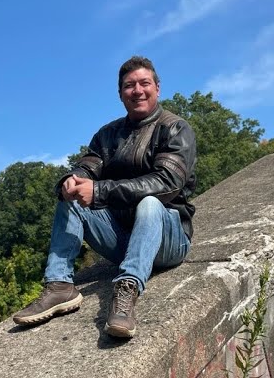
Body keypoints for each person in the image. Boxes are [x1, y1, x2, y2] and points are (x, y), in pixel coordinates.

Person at [11, 55, 197, 339]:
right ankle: (59, 285)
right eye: (129, 86)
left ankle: (127, 289)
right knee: (70, 200)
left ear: (157, 88)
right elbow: (88, 165)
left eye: (144, 83)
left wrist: (99, 191)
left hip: (168, 239)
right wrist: (70, 180)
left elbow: (167, 183)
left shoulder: (175, 129)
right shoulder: (108, 134)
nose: (137, 90)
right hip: (123, 238)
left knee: (149, 203)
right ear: (121, 94)